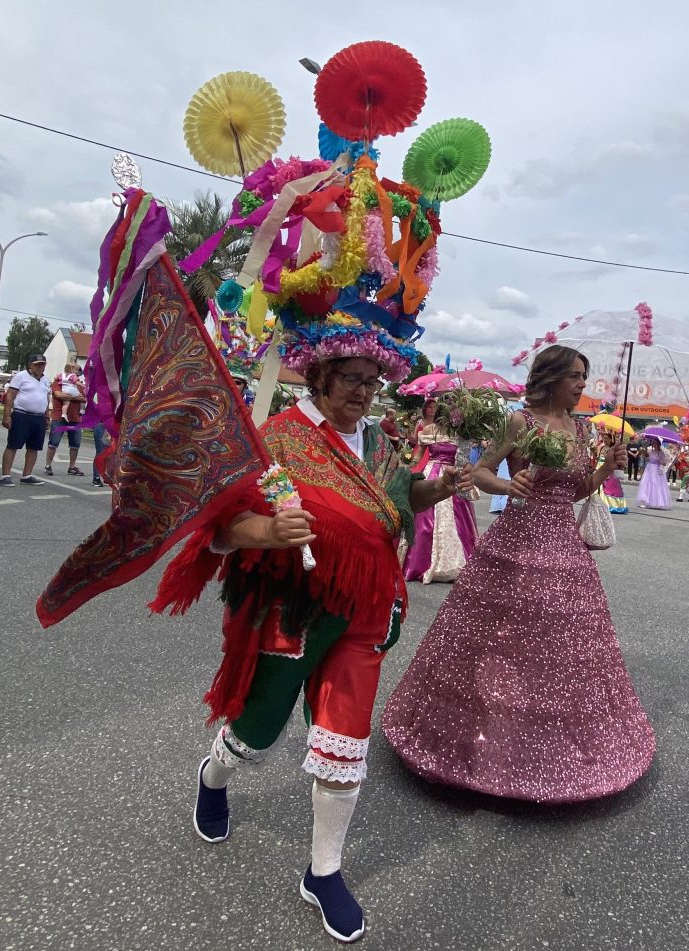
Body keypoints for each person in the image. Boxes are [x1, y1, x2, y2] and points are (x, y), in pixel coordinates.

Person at [190, 353, 470, 944]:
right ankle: (214, 776)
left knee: (345, 740)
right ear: (319, 379)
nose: (365, 393)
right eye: (352, 380)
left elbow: (397, 499)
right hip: (295, 611)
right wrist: (265, 531)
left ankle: (324, 873)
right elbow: (220, 525)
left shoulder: (383, 441)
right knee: (257, 732)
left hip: (367, 611)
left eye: (373, 383)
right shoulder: (279, 438)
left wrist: (436, 488)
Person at [382, 344, 655, 803]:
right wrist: (510, 484)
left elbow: (576, 492)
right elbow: (482, 472)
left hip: (566, 549)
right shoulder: (519, 422)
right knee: (495, 644)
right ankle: (474, 750)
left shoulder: (584, 429)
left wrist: (607, 467)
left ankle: (547, 759)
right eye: (575, 377)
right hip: (515, 543)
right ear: (550, 378)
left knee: (556, 657)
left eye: (584, 379)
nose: (581, 387)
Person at [402, 417, 479, 583]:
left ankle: (451, 561)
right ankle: (419, 563)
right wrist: (408, 465)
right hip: (431, 473)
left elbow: (464, 460)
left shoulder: (461, 431)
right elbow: (420, 453)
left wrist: (467, 470)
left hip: (451, 474)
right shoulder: (429, 429)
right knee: (424, 520)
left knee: (457, 520)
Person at [0, 354, 50, 486]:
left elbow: (46, 398)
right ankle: (5, 475)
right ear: (30, 365)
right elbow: (10, 396)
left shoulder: (45, 379)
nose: (40, 367)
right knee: (13, 445)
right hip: (22, 415)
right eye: (37, 364)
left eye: (42, 364)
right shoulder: (21, 376)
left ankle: (27, 475)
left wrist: (47, 416)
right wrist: (7, 415)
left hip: (38, 417)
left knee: (34, 447)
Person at [44, 363, 87, 476]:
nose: (79, 372)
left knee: (75, 444)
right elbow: (59, 395)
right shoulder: (58, 382)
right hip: (59, 417)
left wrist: (76, 397)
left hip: (76, 418)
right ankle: (48, 465)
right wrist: (75, 397)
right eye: (77, 369)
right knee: (53, 442)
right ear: (70, 370)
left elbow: (84, 398)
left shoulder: (78, 384)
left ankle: (72, 467)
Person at [636, 436, 671, 509]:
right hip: (649, 469)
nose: (654, 444)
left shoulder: (660, 452)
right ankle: (645, 501)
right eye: (653, 443)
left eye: (655, 443)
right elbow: (649, 459)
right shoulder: (651, 451)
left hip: (656, 470)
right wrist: (643, 454)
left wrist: (660, 460)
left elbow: (665, 463)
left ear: (658, 444)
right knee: (646, 484)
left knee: (655, 484)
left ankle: (657, 502)